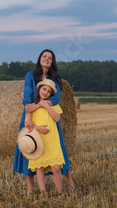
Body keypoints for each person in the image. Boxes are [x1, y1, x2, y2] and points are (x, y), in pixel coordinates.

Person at [12, 49, 74, 196]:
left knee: (58, 151)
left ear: (52, 62)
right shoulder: (31, 76)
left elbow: (55, 99)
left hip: (49, 118)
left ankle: (69, 182)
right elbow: (27, 93)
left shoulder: (55, 78)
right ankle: (30, 190)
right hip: (30, 116)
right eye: (44, 56)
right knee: (30, 148)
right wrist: (29, 115)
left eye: (50, 58)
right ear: (40, 58)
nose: (46, 59)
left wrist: (38, 104)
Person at [26, 79, 64, 196]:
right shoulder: (31, 107)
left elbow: (57, 118)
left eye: (49, 91)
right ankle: (43, 193)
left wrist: (46, 106)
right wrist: (38, 128)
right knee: (40, 168)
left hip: (52, 141)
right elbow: (27, 125)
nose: (45, 92)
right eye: (44, 89)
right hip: (39, 141)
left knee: (56, 168)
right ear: (39, 90)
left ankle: (59, 193)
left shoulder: (54, 106)